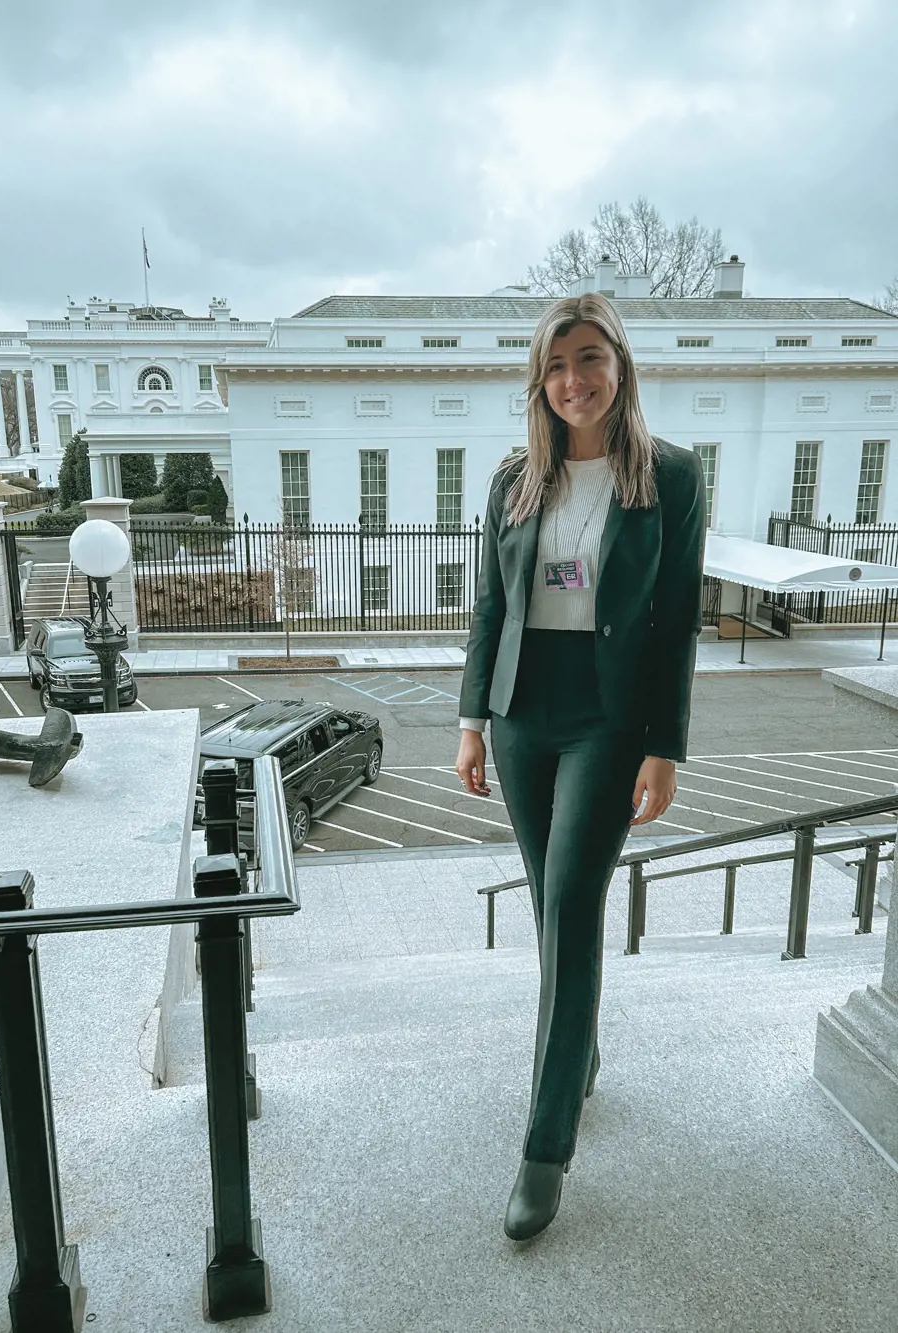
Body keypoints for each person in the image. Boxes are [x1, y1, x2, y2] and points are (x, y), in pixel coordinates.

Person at [456, 292, 706, 1242]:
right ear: (540, 381)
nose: (575, 382)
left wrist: (664, 746)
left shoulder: (671, 477)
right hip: (523, 712)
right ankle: (582, 1051)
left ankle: (544, 1146)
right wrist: (473, 721)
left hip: (610, 715)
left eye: (590, 358)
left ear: (619, 365)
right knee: (547, 903)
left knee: (570, 904)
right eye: (558, 367)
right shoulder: (515, 478)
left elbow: (677, 616)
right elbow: (490, 608)